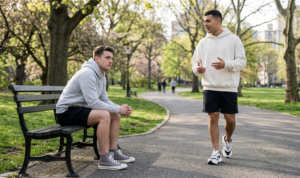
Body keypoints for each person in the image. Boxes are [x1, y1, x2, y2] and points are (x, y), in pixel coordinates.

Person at [56, 46, 135, 170]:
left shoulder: (101, 75)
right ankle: (104, 159)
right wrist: (118, 108)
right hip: (66, 112)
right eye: (107, 58)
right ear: (97, 59)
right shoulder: (87, 73)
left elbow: (104, 99)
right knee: (104, 115)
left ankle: (113, 152)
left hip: (79, 109)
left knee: (114, 114)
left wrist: (118, 108)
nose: (111, 61)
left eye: (112, 58)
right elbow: (93, 103)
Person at [191, 10, 247, 165]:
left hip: (228, 87)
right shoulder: (203, 42)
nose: (205, 24)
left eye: (208, 21)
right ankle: (215, 152)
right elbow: (195, 63)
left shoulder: (234, 40)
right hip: (209, 86)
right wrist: (197, 70)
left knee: (230, 120)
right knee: (212, 117)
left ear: (218, 21)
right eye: (204, 21)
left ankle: (227, 139)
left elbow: (242, 62)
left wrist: (226, 64)